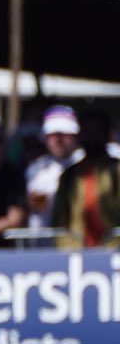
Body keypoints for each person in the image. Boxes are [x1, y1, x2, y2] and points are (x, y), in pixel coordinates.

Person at [50, 107, 120, 249]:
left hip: (114, 251)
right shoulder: (69, 175)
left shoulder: (116, 170)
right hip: (77, 251)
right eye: (87, 131)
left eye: (97, 131)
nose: (92, 137)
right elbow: (60, 220)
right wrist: (66, 247)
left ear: (107, 134)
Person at [26, 105, 81, 229]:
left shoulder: (88, 164)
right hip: (44, 238)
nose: (58, 140)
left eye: (64, 134)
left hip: (81, 239)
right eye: (52, 134)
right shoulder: (36, 169)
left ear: (75, 135)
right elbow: (38, 208)